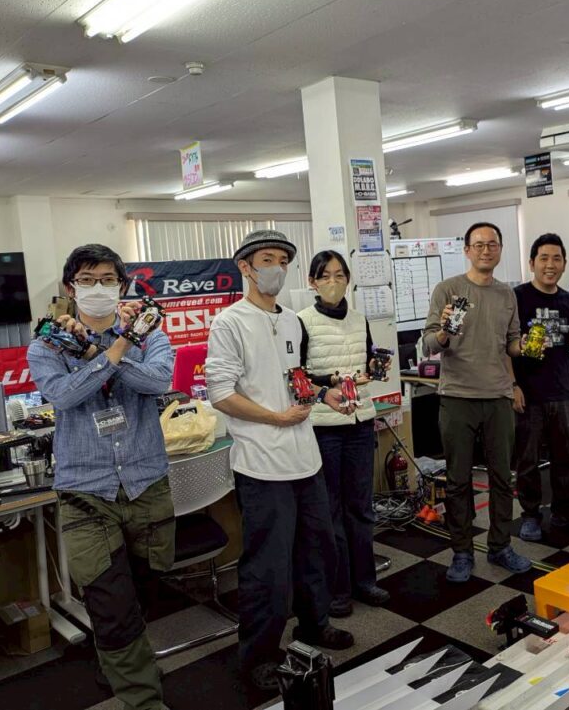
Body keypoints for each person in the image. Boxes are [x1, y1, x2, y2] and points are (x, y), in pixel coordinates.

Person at [27, 244, 175, 710]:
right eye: (87, 280)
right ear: (71, 288)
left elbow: (158, 382)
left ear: (122, 286)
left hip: (146, 482)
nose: (98, 288)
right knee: (111, 604)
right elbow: (64, 395)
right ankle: (143, 699)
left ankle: (117, 660)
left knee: (145, 591)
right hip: (85, 492)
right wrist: (118, 348)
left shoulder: (150, 333)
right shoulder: (48, 343)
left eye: (108, 279)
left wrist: (109, 348)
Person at [206, 230, 353, 696]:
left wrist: (323, 393)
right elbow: (221, 394)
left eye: (283, 261)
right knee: (267, 567)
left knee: (318, 550)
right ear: (245, 267)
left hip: (304, 458)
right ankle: (259, 655)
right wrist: (274, 417)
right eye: (267, 259)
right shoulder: (229, 323)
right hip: (261, 463)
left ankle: (314, 624)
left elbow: (293, 379)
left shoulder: (291, 320)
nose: (276, 268)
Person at [422, 222, 531, 583]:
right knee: (458, 480)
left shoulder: (506, 294)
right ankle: (462, 551)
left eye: (492, 244)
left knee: (502, 477)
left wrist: (528, 346)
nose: (486, 250)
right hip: (458, 396)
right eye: (479, 245)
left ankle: (500, 545)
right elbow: (429, 344)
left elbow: (511, 344)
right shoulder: (448, 289)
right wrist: (444, 331)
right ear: (467, 250)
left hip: (498, 396)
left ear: (500, 249)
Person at [298, 250, 391, 617]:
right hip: (324, 426)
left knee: (361, 507)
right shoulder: (302, 321)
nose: (333, 282)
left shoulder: (359, 319)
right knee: (330, 511)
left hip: (360, 421)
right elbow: (297, 377)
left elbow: (366, 360)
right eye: (325, 276)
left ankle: (364, 580)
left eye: (339, 275)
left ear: (348, 279)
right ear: (312, 282)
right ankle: (337, 588)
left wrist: (373, 368)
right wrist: (331, 380)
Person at [512, 233, 569, 541]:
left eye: (557, 259)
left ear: (564, 264)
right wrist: (513, 385)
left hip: (562, 390)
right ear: (532, 263)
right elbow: (503, 345)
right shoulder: (517, 298)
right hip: (528, 392)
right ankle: (530, 515)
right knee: (528, 460)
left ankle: (566, 512)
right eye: (544, 258)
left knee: (565, 458)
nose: (550, 265)